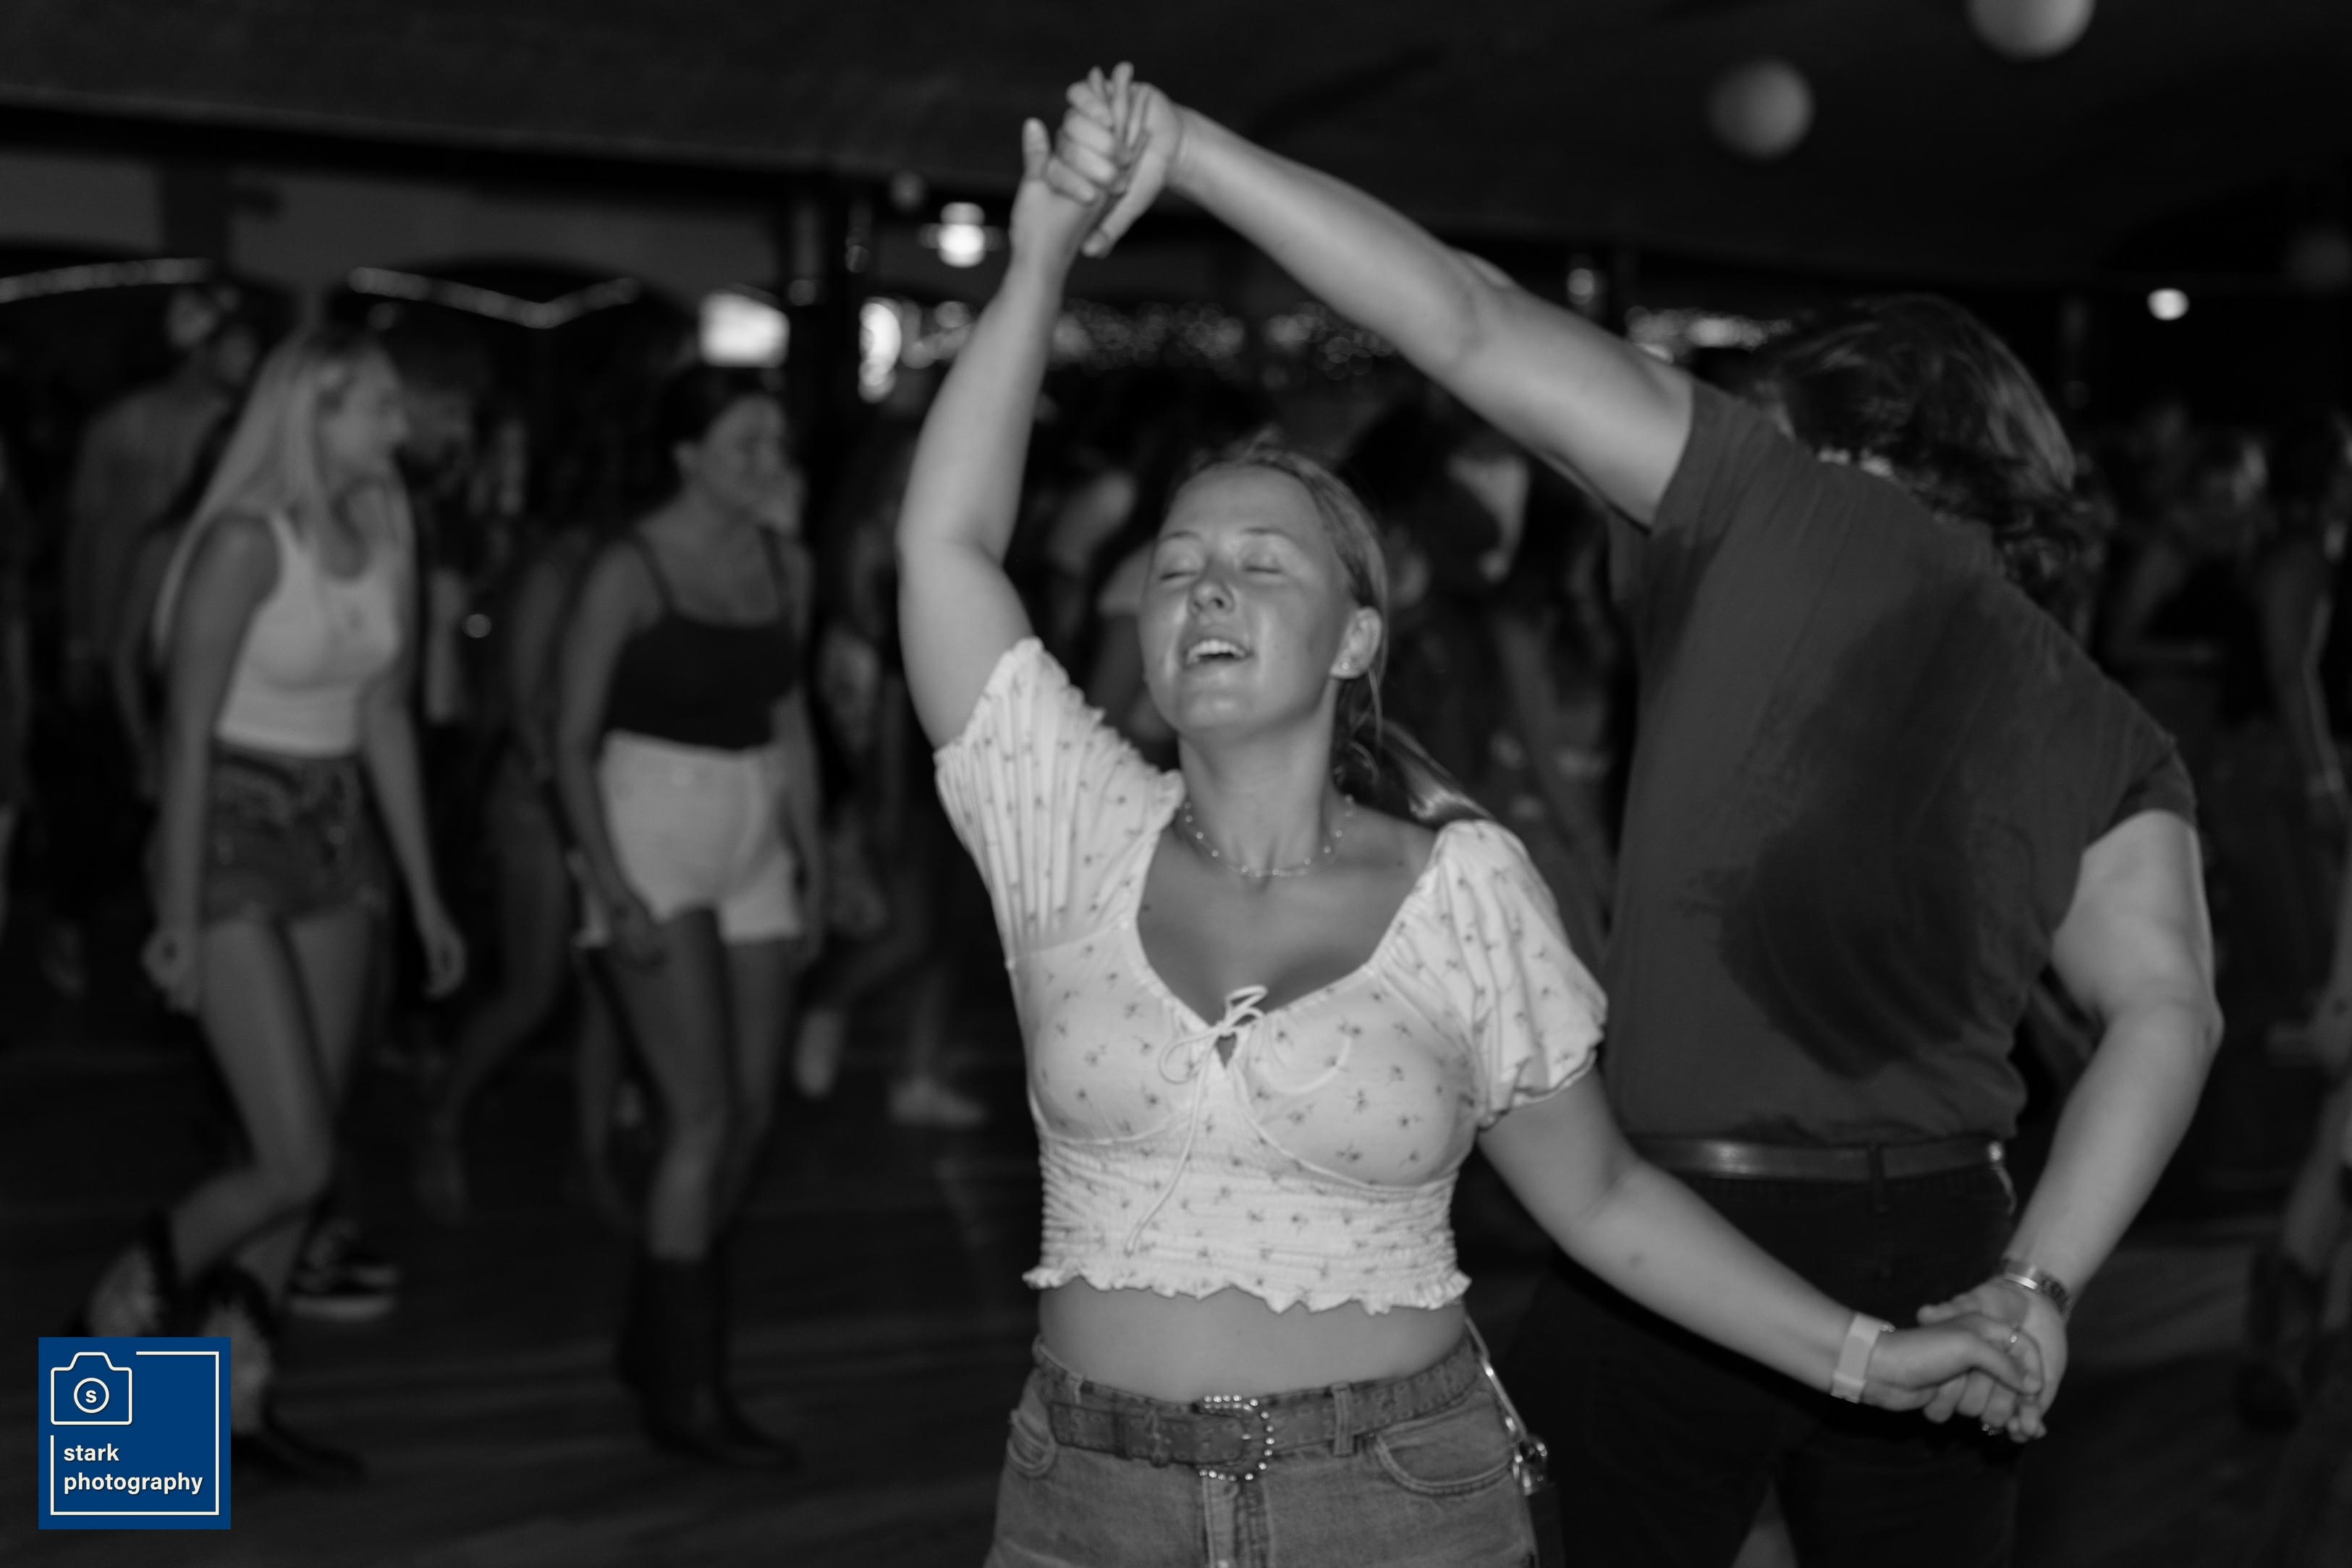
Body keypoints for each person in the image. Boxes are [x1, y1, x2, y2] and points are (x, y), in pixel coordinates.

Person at [1062, 67, 2221, 1567]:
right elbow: (2166, 1011)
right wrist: (2034, 1290)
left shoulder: (1780, 505)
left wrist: (1195, 152)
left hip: (1688, 1241)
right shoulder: (2106, 722)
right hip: (1946, 1239)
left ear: (1847, 436)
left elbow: (1464, 317)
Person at [78, 326, 467, 1483]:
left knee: (304, 1141)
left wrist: (426, 893)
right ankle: (122, 1313)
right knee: (293, 1159)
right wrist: (176, 908)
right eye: (378, 406)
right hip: (233, 832)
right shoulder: (245, 542)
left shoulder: (388, 522)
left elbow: (385, 716)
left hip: (338, 836)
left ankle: (231, 1402)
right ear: (314, 415)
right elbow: (185, 739)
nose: (400, 426)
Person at [551, 363, 821, 1465]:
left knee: (749, 1114)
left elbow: (792, 719)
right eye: (746, 443)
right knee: (700, 1114)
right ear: (685, 455)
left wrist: (812, 859)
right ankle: (689, 1392)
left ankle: (653, 1334)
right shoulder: (629, 567)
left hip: (751, 823)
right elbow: (566, 739)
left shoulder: (785, 562)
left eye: (775, 442)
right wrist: (606, 882)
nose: (769, 462)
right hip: (646, 823)